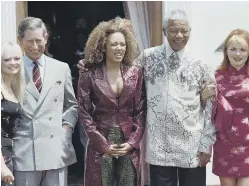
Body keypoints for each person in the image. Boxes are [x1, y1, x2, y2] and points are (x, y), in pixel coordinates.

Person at [78, 9, 216, 186]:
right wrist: (88, 63)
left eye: (184, 31)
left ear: (190, 32)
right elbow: (119, 68)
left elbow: (212, 108)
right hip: (159, 147)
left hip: (192, 145)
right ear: (165, 31)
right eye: (173, 30)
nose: (179, 35)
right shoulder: (148, 58)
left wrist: (206, 144)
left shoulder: (201, 64)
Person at [77, 17, 146, 186]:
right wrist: (102, 144)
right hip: (101, 141)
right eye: (114, 44)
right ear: (103, 46)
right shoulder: (89, 73)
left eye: (122, 44)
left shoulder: (135, 73)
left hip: (127, 141)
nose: (119, 48)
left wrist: (132, 143)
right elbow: (84, 112)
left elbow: (141, 110)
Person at [13, 17, 78, 186]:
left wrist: (67, 128)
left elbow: (71, 105)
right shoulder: (11, 69)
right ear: (20, 41)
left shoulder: (61, 68)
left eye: (38, 41)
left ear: (46, 38)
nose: (35, 47)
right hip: (23, 153)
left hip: (56, 149)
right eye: (29, 41)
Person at [202, 29, 249, 186]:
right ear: (226, 51)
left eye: (242, 49)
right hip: (224, 143)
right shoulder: (215, 76)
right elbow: (207, 111)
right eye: (233, 49)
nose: (238, 54)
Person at [1, 42, 25, 186]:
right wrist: (2, 166)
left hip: (9, 155)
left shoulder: (14, 87)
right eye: (6, 59)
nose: (12, 63)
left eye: (16, 58)